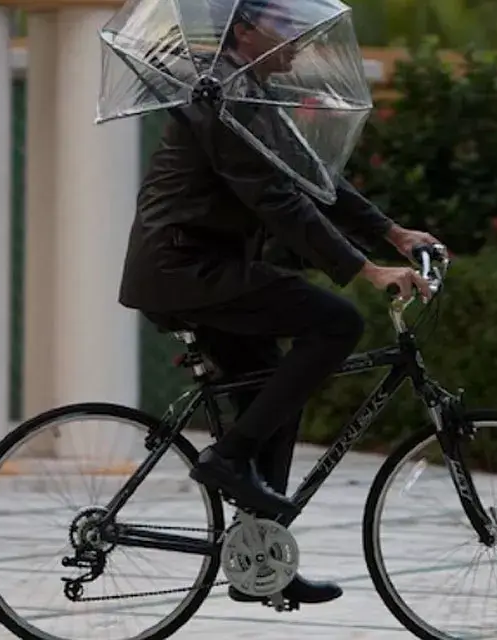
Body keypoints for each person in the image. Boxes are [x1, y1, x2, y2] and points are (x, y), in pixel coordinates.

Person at [117, 0, 442, 605]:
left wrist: (394, 233)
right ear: (245, 29)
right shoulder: (218, 99)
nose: (297, 39)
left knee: (275, 393)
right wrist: (366, 269)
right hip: (185, 268)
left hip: (210, 267)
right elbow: (277, 202)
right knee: (335, 321)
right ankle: (228, 459)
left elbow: (311, 174)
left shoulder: (246, 93)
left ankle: (261, 560)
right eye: (285, 26)